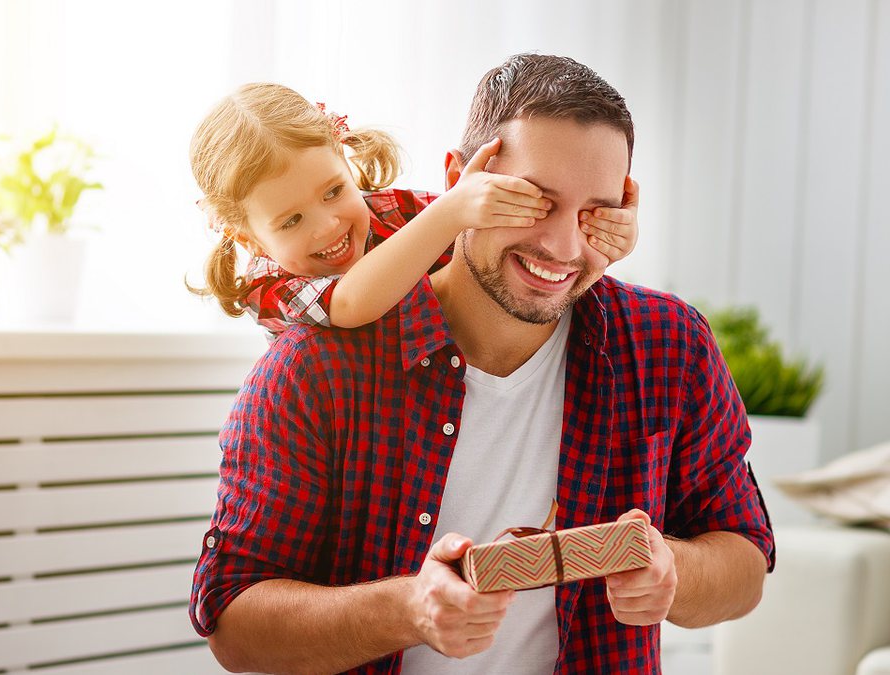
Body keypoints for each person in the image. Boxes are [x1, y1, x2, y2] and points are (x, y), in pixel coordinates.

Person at [189, 54, 774, 675]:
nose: (564, 246)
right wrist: (408, 608)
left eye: (595, 212)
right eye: (533, 202)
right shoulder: (311, 371)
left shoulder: (666, 344)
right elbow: (235, 625)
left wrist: (671, 571)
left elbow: (746, 564)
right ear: (460, 181)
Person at [189, 82, 637, 336]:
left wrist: (601, 229)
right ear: (248, 237)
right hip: (356, 418)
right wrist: (450, 210)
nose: (328, 225)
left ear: (346, 161)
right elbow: (348, 303)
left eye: (332, 192)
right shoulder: (267, 285)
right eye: (291, 221)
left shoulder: (392, 212)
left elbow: (487, 238)